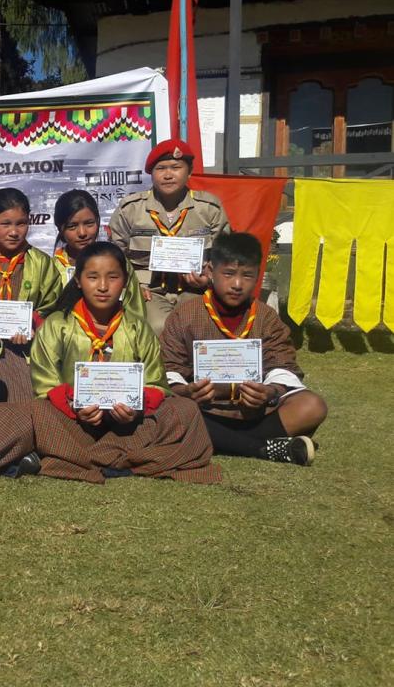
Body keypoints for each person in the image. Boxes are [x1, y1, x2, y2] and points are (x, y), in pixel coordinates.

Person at [29, 241, 220, 484]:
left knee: (185, 410)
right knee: (35, 412)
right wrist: (76, 406)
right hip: (73, 421)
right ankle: (124, 459)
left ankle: (78, 458)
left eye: (113, 277)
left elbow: (157, 384)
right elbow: (44, 385)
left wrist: (135, 408)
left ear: (126, 282)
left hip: (128, 427)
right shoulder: (57, 325)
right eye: (92, 277)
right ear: (78, 280)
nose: (102, 286)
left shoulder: (137, 327)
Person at [160, 232, 327, 466]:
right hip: (201, 411)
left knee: (312, 406)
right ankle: (261, 448)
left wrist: (268, 393)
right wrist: (186, 391)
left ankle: (221, 442)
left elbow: (283, 365)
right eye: (228, 274)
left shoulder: (266, 317)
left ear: (257, 276)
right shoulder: (185, 314)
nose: (237, 284)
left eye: (247, 276)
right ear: (209, 271)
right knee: (165, 410)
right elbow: (170, 367)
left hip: (255, 413)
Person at [108, 139, 231, 336]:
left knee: (196, 326)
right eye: (160, 168)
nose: (167, 175)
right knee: (159, 326)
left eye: (175, 167)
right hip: (149, 289)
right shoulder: (131, 209)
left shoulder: (209, 209)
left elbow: (225, 255)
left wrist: (208, 278)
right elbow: (115, 254)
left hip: (196, 289)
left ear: (189, 171)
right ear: (151, 174)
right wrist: (132, 285)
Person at [0, 188, 60, 402]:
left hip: (25, 354)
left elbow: (53, 310)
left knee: (26, 402)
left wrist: (32, 326)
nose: (14, 232)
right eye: (5, 224)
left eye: (21, 223)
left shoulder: (41, 263)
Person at [52, 189, 145, 318]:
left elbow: (135, 310)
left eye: (89, 223)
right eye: (72, 226)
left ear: (98, 221)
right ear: (60, 228)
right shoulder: (51, 268)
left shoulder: (116, 261)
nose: (82, 232)